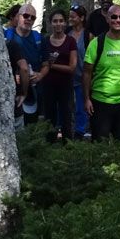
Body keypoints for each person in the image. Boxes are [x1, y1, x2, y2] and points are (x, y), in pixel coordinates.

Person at [83, 4, 120, 140]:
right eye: (114, 17)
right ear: (107, 19)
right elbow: (86, 72)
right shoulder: (96, 43)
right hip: (100, 102)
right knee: (100, 144)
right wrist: (86, 99)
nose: (118, 20)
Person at [8, 3, 48, 126]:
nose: (29, 19)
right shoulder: (6, 36)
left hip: (34, 90)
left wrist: (40, 75)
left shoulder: (39, 39)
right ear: (18, 16)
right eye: (26, 16)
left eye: (32, 17)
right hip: (11, 91)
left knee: (31, 126)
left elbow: (46, 64)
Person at [42, 10, 77, 141]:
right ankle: (49, 145)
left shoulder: (70, 41)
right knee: (49, 116)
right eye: (55, 21)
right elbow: (41, 62)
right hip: (48, 84)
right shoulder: (45, 41)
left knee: (66, 115)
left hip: (65, 85)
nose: (58, 24)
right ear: (51, 23)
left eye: (61, 21)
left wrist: (52, 65)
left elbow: (72, 67)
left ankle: (68, 145)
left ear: (65, 23)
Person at [68, 4, 91, 138]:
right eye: (69, 16)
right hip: (68, 76)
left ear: (81, 18)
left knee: (81, 106)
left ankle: (80, 131)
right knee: (67, 105)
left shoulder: (88, 35)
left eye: (73, 16)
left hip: (83, 77)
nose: (70, 19)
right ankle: (64, 129)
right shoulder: (67, 33)